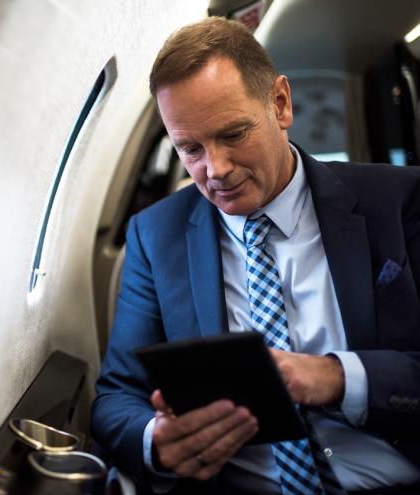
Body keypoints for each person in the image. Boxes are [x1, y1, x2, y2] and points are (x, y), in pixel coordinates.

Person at [91, 17, 420, 495]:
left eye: (233, 135)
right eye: (190, 149)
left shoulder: (400, 200)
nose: (215, 169)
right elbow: (117, 396)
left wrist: (335, 377)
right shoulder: (153, 235)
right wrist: (156, 442)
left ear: (280, 104)